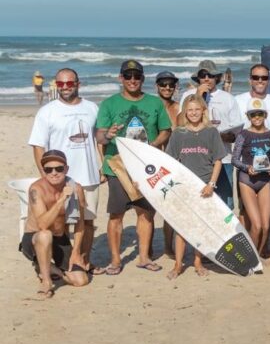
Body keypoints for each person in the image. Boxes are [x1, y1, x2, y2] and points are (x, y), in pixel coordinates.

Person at [95, 59, 172, 275]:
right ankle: (115, 260)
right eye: (127, 76)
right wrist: (107, 134)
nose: (132, 80)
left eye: (136, 76)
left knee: (146, 213)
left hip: (147, 167)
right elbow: (99, 135)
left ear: (142, 79)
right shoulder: (109, 104)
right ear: (121, 78)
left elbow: (166, 129)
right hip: (117, 168)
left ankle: (144, 257)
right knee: (116, 215)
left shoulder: (155, 103)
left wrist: (153, 145)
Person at [28, 68, 102, 270]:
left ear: (78, 83)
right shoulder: (47, 111)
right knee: (57, 223)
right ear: (56, 85)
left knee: (86, 222)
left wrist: (102, 164)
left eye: (70, 83)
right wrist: (46, 176)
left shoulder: (92, 108)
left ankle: (84, 261)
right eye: (60, 84)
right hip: (58, 177)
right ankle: (53, 262)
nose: (65, 87)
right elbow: (38, 146)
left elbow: (99, 139)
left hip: (88, 175)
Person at [165, 95, 226, 279]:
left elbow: (218, 161)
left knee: (200, 226)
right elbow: (170, 161)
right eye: (190, 110)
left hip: (204, 186)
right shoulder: (178, 133)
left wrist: (211, 184)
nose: (193, 113)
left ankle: (197, 261)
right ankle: (178, 264)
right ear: (185, 112)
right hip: (184, 187)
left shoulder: (212, 132)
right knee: (182, 227)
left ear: (203, 111)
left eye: (197, 109)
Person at [21, 150, 90, 298]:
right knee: (45, 235)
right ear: (43, 171)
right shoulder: (36, 189)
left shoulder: (76, 188)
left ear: (66, 169)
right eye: (48, 169)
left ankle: (53, 269)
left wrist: (76, 252)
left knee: (81, 281)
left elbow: (80, 224)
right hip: (35, 238)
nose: (54, 173)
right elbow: (43, 225)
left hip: (59, 238)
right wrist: (61, 200)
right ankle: (46, 282)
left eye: (59, 168)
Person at [179, 60, 242, 209]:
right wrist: (198, 96)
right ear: (198, 78)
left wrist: (215, 137)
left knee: (224, 204)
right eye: (203, 75)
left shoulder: (228, 98)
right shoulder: (188, 95)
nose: (207, 78)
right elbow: (179, 124)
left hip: (223, 158)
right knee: (196, 203)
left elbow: (235, 134)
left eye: (211, 75)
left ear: (217, 78)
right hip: (194, 159)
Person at [232, 98, 270, 256]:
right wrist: (247, 168)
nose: (257, 117)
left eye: (260, 114)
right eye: (253, 115)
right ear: (248, 116)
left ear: (265, 115)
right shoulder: (243, 135)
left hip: (264, 180)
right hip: (247, 180)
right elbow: (234, 159)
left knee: (266, 226)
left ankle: (258, 256)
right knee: (257, 225)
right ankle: (249, 257)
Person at [154, 70, 180, 258]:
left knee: (171, 206)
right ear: (157, 86)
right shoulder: (151, 105)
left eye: (171, 85)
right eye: (163, 84)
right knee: (148, 208)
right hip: (154, 160)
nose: (167, 88)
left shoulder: (178, 107)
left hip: (175, 161)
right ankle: (147, 246)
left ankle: (168, 246)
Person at [234, 64, 270, 131]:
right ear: (250, 80)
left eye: (264, 78)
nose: (260, 81)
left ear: (268, 81)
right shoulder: (237, 101)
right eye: (256, 78)